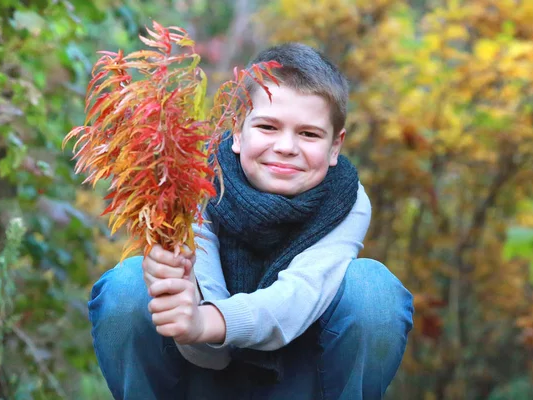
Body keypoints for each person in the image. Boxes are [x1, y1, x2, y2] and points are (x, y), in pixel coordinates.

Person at [88, 43, 414, 400]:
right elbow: (209, 352)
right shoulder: (196, 183)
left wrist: (205, 320)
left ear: (335, 147)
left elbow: (298, 299)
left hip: (301, 376)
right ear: (238, 133)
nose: (287, 146)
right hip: (201, 370)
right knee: (127, 285)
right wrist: (179, 300)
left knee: (374, 290)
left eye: (308, 134)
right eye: (268, 127)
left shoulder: (345, 202)